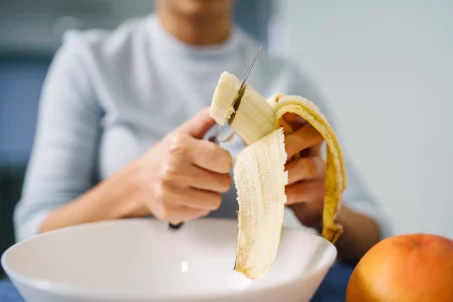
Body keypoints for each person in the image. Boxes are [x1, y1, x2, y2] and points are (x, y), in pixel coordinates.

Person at [14, 0, 391, 264]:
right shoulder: (87, 61)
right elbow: (31, 234)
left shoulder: (286, 78)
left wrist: (321, 208)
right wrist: (135, 187)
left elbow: (375, 236)